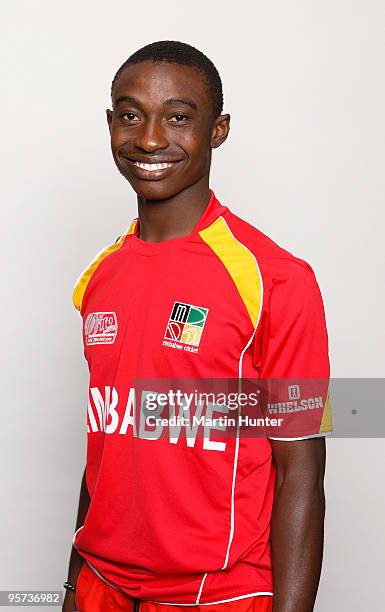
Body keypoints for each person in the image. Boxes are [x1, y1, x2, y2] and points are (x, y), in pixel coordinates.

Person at [63, 40, 332, 612]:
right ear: (110, 124)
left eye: (179, 117)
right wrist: (70, 586)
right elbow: (106, 448)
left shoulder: (275, 278)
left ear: (218, 129)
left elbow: (301, 477)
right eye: (131, 115)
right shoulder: (98, 277)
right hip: (100, 590)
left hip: (217, 596)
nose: (151, 138)